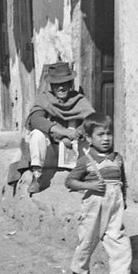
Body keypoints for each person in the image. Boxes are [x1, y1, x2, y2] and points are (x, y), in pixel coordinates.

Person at [65, 113, 138, 274]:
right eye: (100, 135)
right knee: (87, 240)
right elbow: (70, 181)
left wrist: (123, 201)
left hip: (114, 206)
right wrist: (89, 185)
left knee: (120, 241)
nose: (106, 139)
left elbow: (122, 181)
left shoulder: (117, 159)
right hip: (94, 206)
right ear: (89, 138)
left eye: (109, 134)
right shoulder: (86, 161)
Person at [23, 61, 95, 195]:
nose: (61, 88)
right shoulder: (45, 98)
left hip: (72, 150)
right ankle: (38, 177)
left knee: (91, 140)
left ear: (70, 84)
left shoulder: (79, 100)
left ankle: (81, 178)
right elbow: (36, 119)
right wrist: (61, 132)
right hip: (51, 152)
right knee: (37, 134)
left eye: (65, 84)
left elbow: (91, 120)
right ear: (52, 86)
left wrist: (77, 133)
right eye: (57, 84)